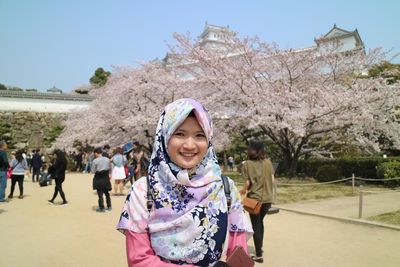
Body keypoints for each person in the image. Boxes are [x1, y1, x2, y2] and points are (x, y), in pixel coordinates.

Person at [117, 98, 252, 266]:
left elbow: (238, 253)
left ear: (209, 139)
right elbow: (139, 260)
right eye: (179, 134)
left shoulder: (225, 188)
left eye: (200, 135)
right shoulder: (143, 190)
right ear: (165, 136)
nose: (190, 145)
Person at [239, 140, 274, 263]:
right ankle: (260, 249)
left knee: (256, 225)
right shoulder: (268, 163)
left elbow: (247, 184)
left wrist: (241, 191)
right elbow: (273, 180)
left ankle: (259, 255)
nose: (248, 150)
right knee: (260, 223)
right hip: (268, 199)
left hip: (255, 200)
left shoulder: (247, 164)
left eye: (250, 148)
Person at [92, 147, 112, 212]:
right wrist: (109, 174)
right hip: (105, 176)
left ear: (96, 153)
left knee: (100, 193)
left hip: (98, 177)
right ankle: (109, 206)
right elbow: (110, 167)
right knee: (106, 193)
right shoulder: (107, 159)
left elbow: (93, 170)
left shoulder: (95, 160)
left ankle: (101, 207)